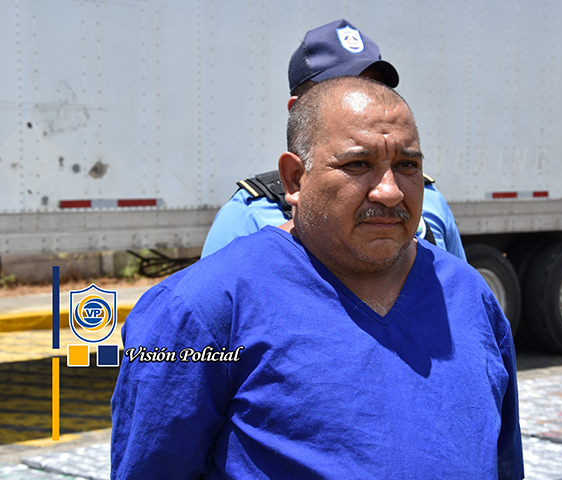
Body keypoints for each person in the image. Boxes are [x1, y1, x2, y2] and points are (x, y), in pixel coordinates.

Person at [111, 76, 524, 479]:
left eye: (407, 165)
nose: (390, 191)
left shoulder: (468, 295)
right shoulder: (201, 310)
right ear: (295, 178)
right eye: (358, 164)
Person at [201, 19, 466, 261]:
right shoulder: (247, 218)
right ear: (297, 110)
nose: (364, 102)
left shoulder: (429, 201)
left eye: (376, 88)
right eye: (340, 90)